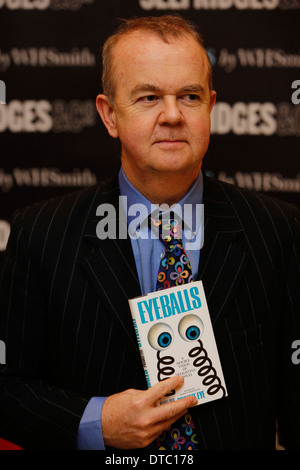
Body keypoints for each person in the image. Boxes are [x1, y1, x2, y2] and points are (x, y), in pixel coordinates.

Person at [0, 15, 300, 451]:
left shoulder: (277, 231)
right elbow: (7, 388)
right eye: (148, 97)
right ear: (109, 114)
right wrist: (97, 421)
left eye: (190, 96)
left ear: (210, 107)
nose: (173, 115)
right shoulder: (42, 234)